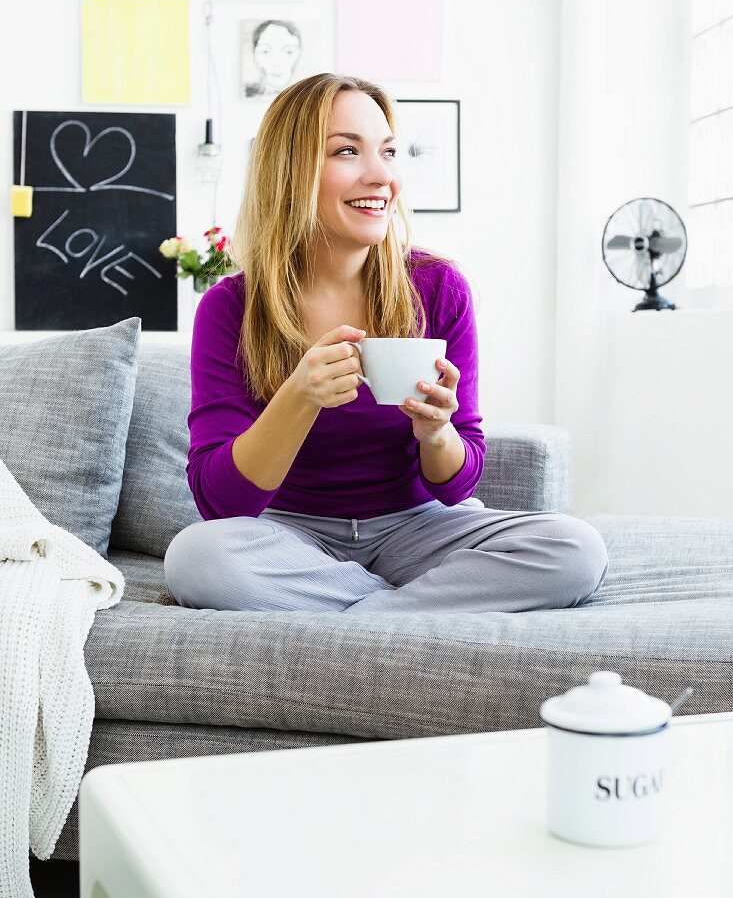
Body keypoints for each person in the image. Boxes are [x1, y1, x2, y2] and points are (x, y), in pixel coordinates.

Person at [164, 72, 609, 614]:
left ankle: (351, 616)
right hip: (291, 537)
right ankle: (408, 613)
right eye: (347, 152)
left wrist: (436, 432)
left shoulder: (438, 286)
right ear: (288, 173)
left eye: (390, 151)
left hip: (419, 528)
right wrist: (299, 396)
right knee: (195, 558)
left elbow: (457, 484)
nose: (381, 175)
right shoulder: (232, 307)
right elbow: (221, 502)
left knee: (576, 549)